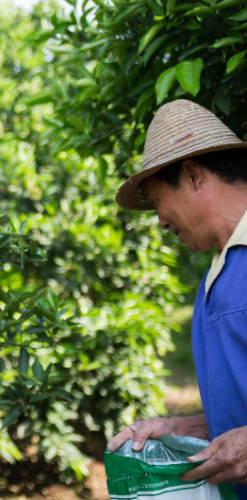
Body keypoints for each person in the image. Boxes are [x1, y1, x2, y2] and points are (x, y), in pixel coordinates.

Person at [108, 99, 247, 498]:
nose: (161, 221)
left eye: (156, 204)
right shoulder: (215, 281)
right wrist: (179, 429)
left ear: (192, 175)